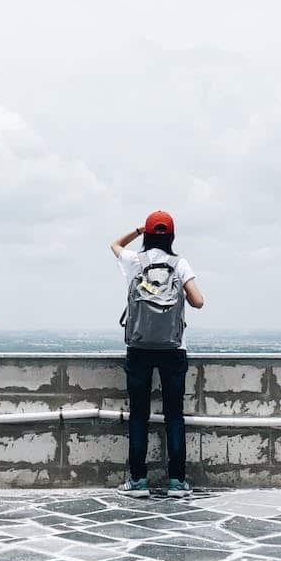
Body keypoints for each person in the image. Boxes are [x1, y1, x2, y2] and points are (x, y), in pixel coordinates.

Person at [110, 210, 204, 498]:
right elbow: (198, 301)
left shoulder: (134, 262)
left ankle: (138, 481)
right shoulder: (180, 264)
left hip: (138, 347)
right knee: (173, 416)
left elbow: (114, 245)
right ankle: (177, 482)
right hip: (173, 348)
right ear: (172, 236)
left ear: (148, 235)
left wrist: (138, 229)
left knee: (139, 415)